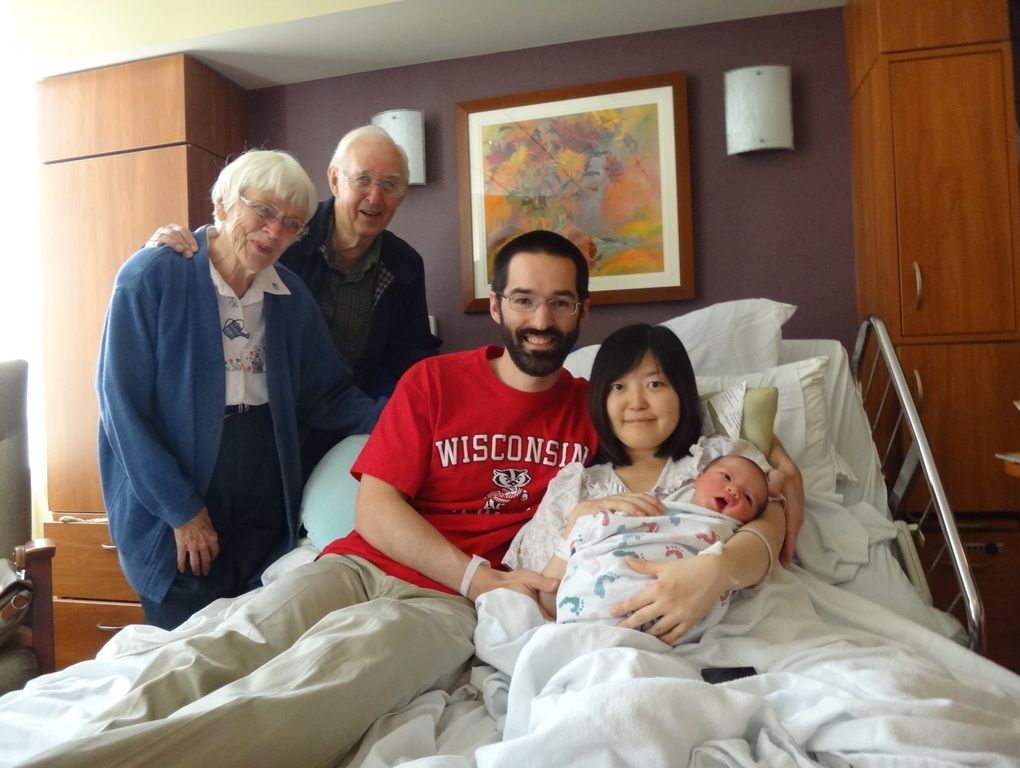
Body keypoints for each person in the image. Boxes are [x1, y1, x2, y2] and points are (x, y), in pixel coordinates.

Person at [26, 233, 792, 768]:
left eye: (561, 303)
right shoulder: (433, 382)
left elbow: (746, 486)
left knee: (315, 687)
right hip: (361, 566)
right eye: (525, 300)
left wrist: (765, 500)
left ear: (582, 314)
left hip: (445, 612)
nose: (542, 320)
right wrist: (477, 574)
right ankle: (72, 740)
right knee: (225, 644)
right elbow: (375, 509)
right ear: (497, 306)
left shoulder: (601, 407)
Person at [96, 148, 382, 630]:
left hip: (263, 482)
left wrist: (407, 420)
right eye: (263, 210)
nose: (274, 231)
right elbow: (121, 410)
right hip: (180, 484)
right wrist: (181, 511)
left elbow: (329, 395)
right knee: (182, 644)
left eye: (291, 223)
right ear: (223, 203)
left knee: (254, 634)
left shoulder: (290, 296)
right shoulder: (151, 277)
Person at [505, 322, 799, 645]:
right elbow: (544, 598)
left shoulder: (720, 462)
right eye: (618, 387)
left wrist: (718, 570)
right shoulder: (575, 488)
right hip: (598, 642)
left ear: (682, 391)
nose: (636, 403)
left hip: (712, 638)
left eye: (654, 384)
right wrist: (577, 520)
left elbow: (770, 531)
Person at [148, 125, 439, 401]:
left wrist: (401, 414)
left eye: (389, 184)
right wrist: (163, 247)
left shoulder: (405, 264)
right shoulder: (285, 241)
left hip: (347, 404)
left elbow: (410, 356)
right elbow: (222, 249)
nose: (375, 197)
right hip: (283, 401)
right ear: (335, 180)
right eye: (362, 179)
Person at [554, 454, 775, 644]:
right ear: (698, 478)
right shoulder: (653, 507)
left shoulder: (729, 532)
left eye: (748, 498)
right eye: (726, 477)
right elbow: (552, 581)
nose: (734, 490)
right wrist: (584, 521)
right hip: (582, 601)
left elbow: (764, 539)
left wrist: (720, 568)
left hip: (667, 619)